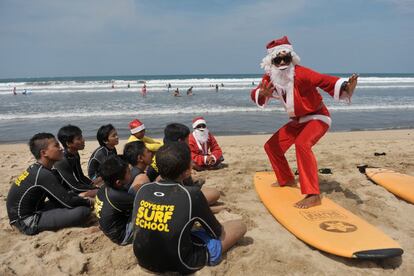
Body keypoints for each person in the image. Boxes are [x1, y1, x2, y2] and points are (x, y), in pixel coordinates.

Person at [251, 36, 358, 209]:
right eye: (278, 59)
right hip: (297, 121)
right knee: (272, 146)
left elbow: (324, 80)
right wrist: (262, 94)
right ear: (272, 61)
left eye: (286, 58)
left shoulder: (301, 73)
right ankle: (286, 179)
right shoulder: (271, 77)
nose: (283, 62)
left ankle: (313, 195)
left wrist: (346, 87)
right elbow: (257, 92)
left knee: (302, 145)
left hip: (318, 117)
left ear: (292, 58)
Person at [132, 142, 246, 274]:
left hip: (143, 261)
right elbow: (216, 232)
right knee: (239, 226)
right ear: (187, 172)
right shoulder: (191, 194)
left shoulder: (144, 189)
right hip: (180, 263)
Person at [6, 133, 92, 235]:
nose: (61, 148)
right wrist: (90, 202)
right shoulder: (43, 174)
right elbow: (68, 202)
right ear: (44, 153)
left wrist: (80, 198)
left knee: (72, 199)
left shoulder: (40, 169)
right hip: (25, 221)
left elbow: (61, 197)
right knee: (83, 211)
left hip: (36, 208)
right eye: (56, 146)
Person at [146, 123, 221, 209]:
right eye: (187, 139)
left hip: (156, 191)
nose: (188, 141)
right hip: (171, 195)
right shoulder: (179, 154)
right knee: (214, 193)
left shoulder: (163, 150)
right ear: (180, 141)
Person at [94, 155, 134, 245]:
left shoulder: (103, 188)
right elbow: (144, 203)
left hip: (110, 229)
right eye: (128, 172)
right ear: (118, 182)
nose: (131, 171)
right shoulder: (118, 196)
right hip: (122, 236)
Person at [54, 125, 99, 198]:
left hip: (69, 188)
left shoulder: (75, 154)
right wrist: (97, 189)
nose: (83, 140)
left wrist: (93, 186)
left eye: (82, 137)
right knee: (98, 192)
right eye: (79, 138)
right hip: (59, 194)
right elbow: (74, 187)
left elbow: (80, 177)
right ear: (68, 143)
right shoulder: (62, 160)